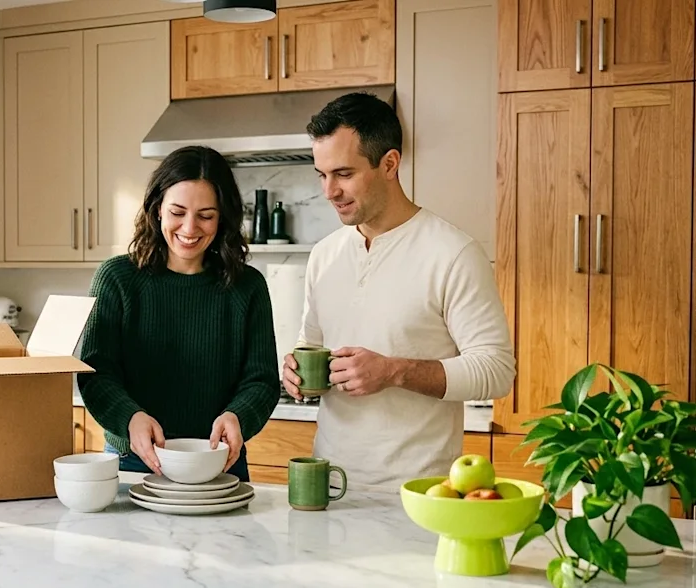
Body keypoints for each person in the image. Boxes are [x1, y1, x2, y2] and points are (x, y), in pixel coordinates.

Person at [282, 91, 515, 489]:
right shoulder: (324, 255)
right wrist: (293, 372)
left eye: (344, 173)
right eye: (321, 175)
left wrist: (394, 371)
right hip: (328, 486)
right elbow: (312, 344)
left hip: (418, 494)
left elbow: (496, 371)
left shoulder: (453, 253)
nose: (329, 192)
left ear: (389, 163)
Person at [77, 145, 281, 482]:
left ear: (222, 218)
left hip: (218, 461)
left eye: (206, 215)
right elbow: (97, 373)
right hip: (134, 459)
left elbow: (260, 379)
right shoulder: (116, 279)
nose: (189, 227)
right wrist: (130, 418)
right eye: (177, 211)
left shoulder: (248, 287)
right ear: (157, 210)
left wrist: (238, 416)